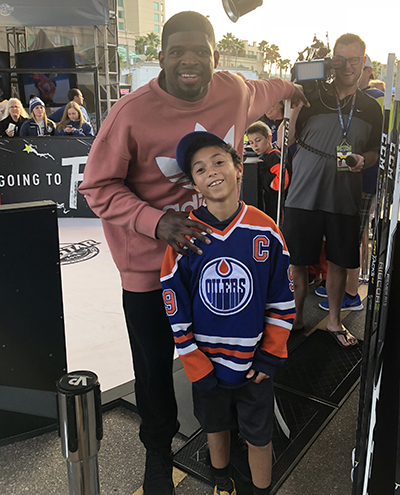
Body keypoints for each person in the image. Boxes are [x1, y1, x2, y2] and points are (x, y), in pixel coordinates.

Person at [79, 11, 308, 495]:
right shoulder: (131, 113)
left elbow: (266, 89)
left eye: (200, 51)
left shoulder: (233, 90)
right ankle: (159, 454)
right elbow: (96, 185)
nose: (189, 61)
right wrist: (156, 222)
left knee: (224, 355)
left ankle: (227, 445)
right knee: (157, 367)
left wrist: (292, 89)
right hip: (150, 271)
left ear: (215, 56)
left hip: (219, 262)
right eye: (177, 51)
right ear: (159, 57)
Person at [161, 131, 295, 495]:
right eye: (200, 168)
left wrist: (269, 355)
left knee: (258, 435)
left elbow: (282, 300)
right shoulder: (187, 236)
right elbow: (175, 307)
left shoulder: (265, 230)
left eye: (219, 162)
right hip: (208, 365)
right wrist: (194, 361)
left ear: (238, 167)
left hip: (254, 365)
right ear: (194, 183)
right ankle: (221, 482)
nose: (212, 172)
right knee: (214, 426)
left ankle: (261, 490)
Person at [279, 33, 382, 346]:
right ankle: (295, 318)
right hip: (302, 193)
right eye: (340, 60)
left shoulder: (371, 108)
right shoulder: (313, 96)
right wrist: (296, 102)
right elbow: (288, 138)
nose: (347, 66)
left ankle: (335, 322)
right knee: (297, 260)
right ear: (331, 61)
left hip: (344, 197)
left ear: (364, 63)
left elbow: (378, 151)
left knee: (338, 261)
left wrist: (363, 159)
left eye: (353, 60)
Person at [318, 54, 384, 310]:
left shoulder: (374, 100)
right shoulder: (340, 97)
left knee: (351, 238)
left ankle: (351, 293)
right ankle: (341, 286)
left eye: (358, 65)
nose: (349, 69)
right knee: (343, 236)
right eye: (341, 63)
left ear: (367, 70)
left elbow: (378, 144)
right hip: (343, 180)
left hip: (364, 180)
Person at [246, 121, 290, 222]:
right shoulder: (265, 157)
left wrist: (268, 182)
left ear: (269, 138)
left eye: (258, 140)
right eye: (251, 142)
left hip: (278, 205)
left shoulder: (274, 157)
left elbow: (282, 182)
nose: (255, 145)